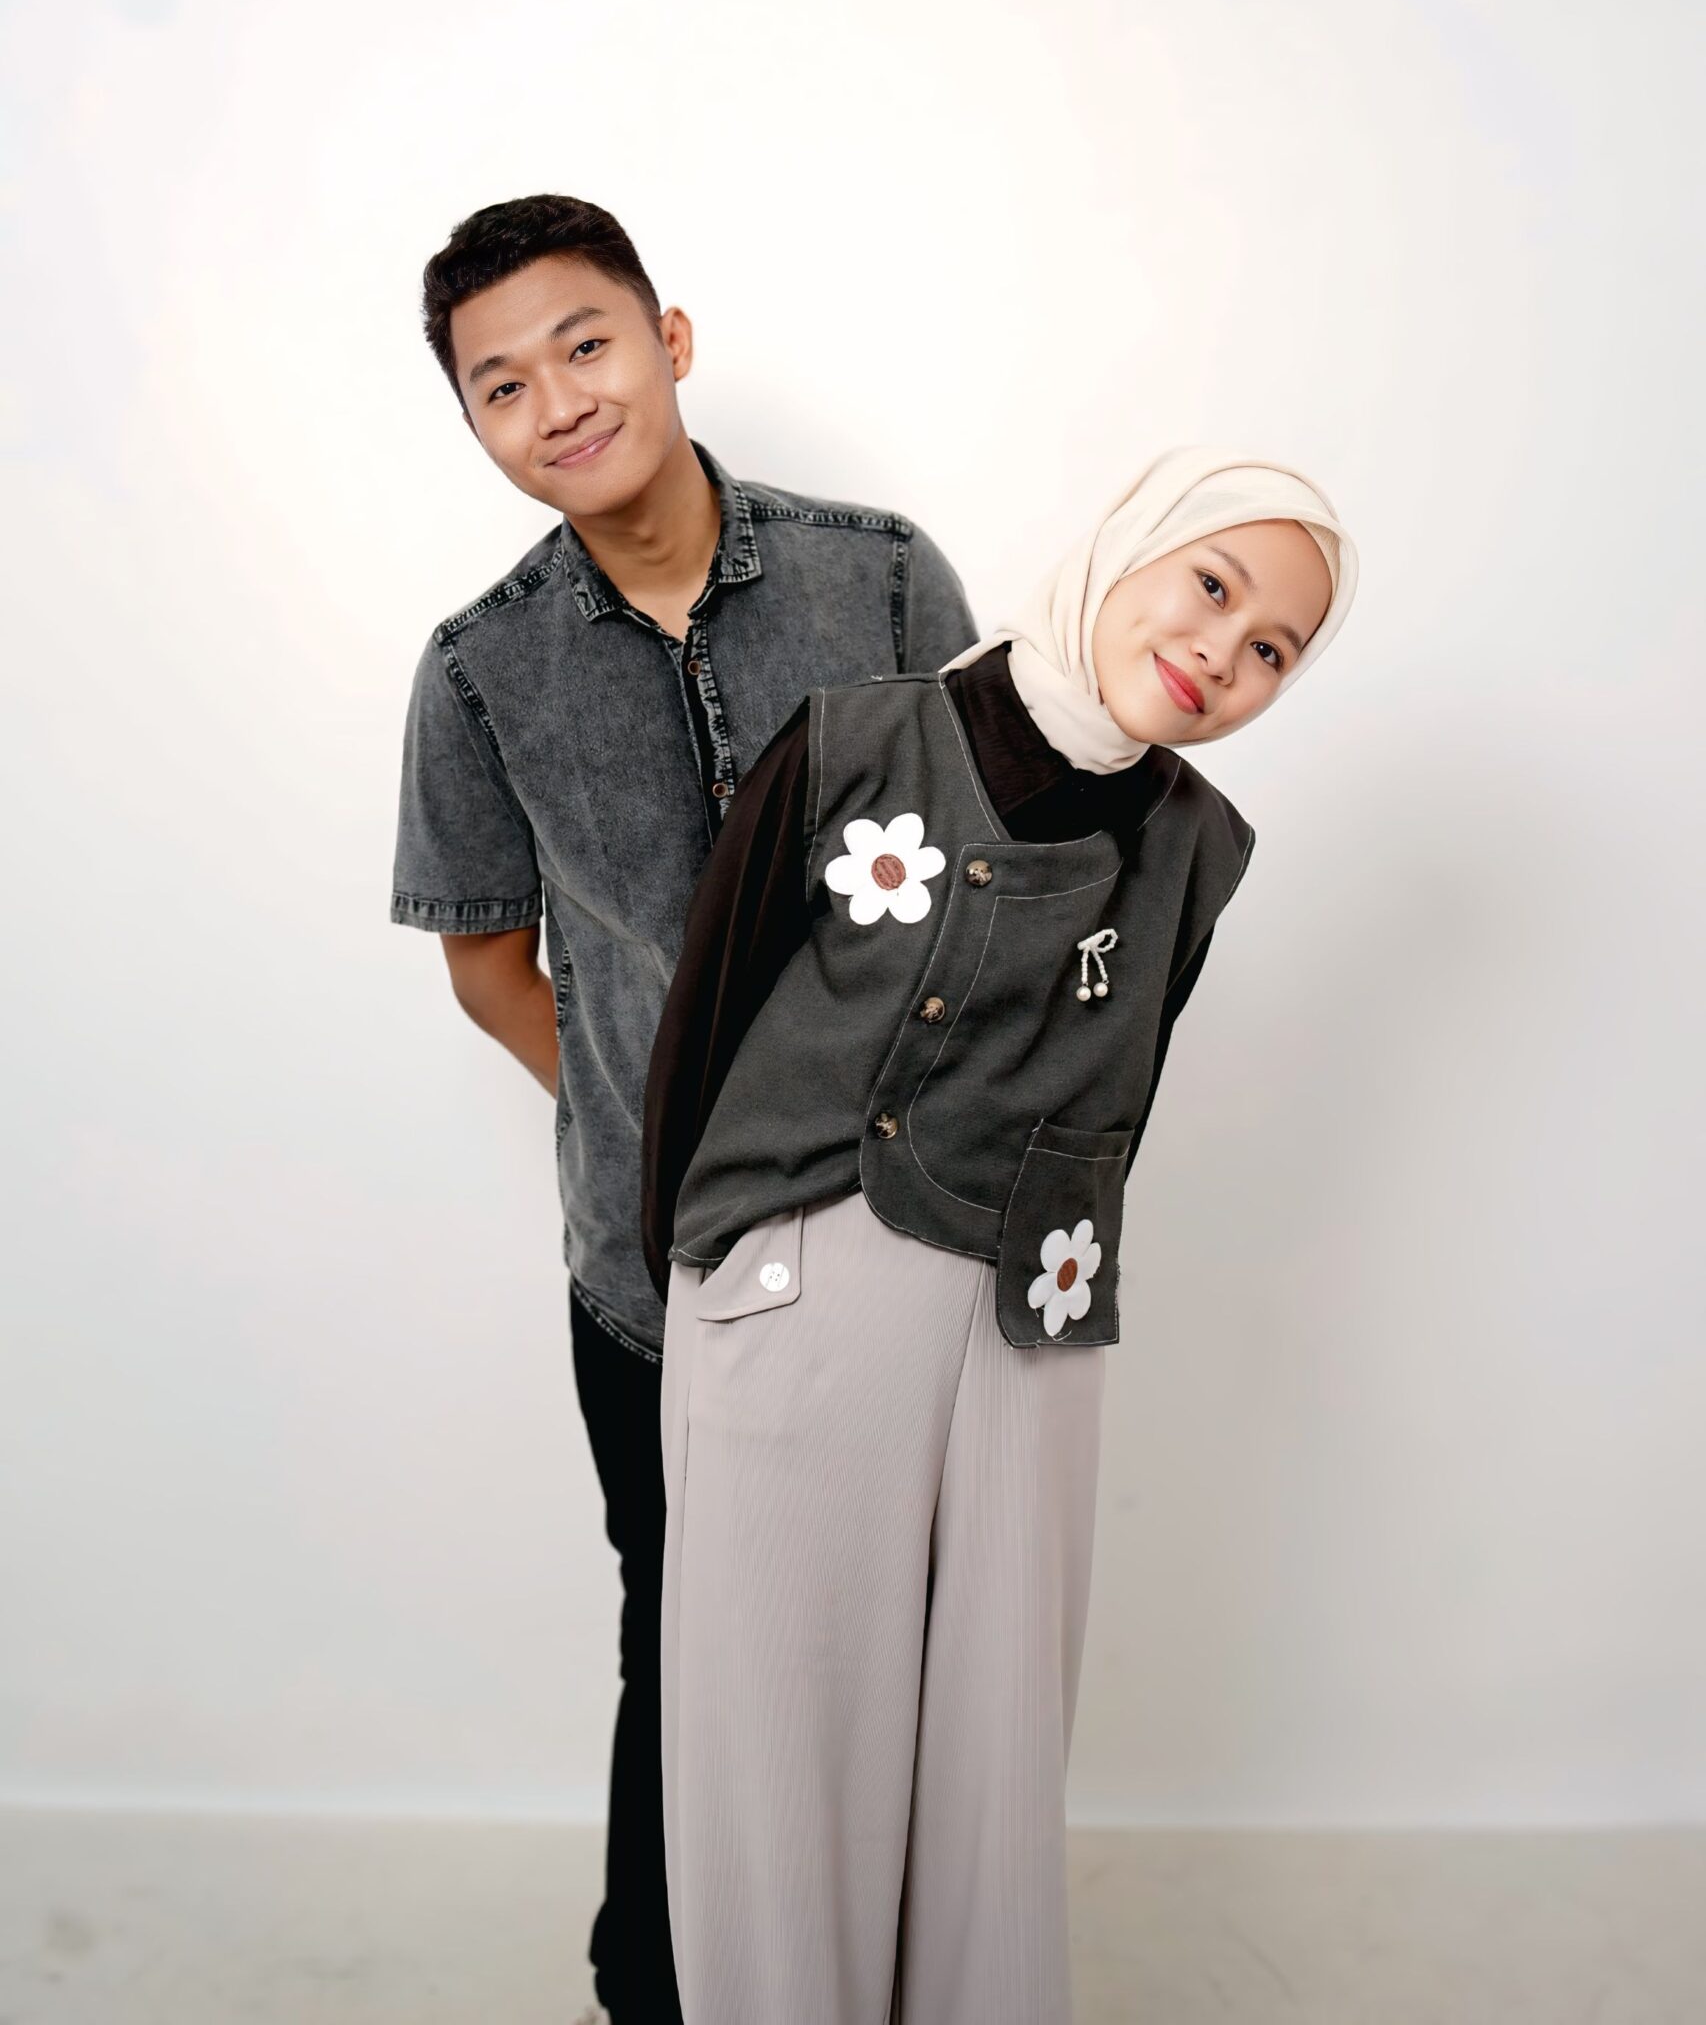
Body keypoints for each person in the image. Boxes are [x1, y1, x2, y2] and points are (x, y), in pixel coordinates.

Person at [641, 447, 1358, 2025]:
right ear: (1129, 546)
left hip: (1034, 1324)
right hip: (797, 1287)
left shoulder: (1199, 846)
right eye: (1212, 586)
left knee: (994, 1762)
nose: (1221, 652)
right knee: (784, 1757)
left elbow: (1124, 1078)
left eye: (1271, 649)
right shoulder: (856, 744)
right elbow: (702, 1024)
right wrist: (699, 1278)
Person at [389, 194, 976, 2024]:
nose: (557, 400)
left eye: (585, 344)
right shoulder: (477, 669)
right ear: (475, 427)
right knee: (683, 1634)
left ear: (669, 340)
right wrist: (665, 1132)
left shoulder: (883, 581)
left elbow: (989, 884)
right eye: (501, 384)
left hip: (900, 1240)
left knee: (898, 1634)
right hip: (653, 1275)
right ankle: (651, 1989)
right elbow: (490, 966)